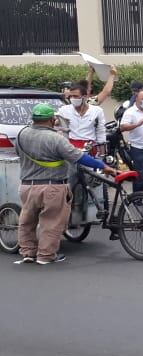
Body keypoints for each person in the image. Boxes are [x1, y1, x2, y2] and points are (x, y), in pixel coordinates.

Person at [14, 103, 115, 265]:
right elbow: (78, 157)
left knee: (27, 221)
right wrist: (103, 166)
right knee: (51, 223)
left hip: (27, 187)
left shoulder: (21, 135)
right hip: (52, 187)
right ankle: (46, 255)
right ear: (52, 120)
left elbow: (18, 153)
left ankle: (28, 252)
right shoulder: (56, 139)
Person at [56, 81, 107, 152]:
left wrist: (102, 152)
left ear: (84, 96)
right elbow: (56, 126)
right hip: (70, 147)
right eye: (70, 96)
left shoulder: (97, 111)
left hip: (90, 147)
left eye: (75, 96)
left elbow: (100, 131)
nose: (72, 98)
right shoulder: (63, 110)